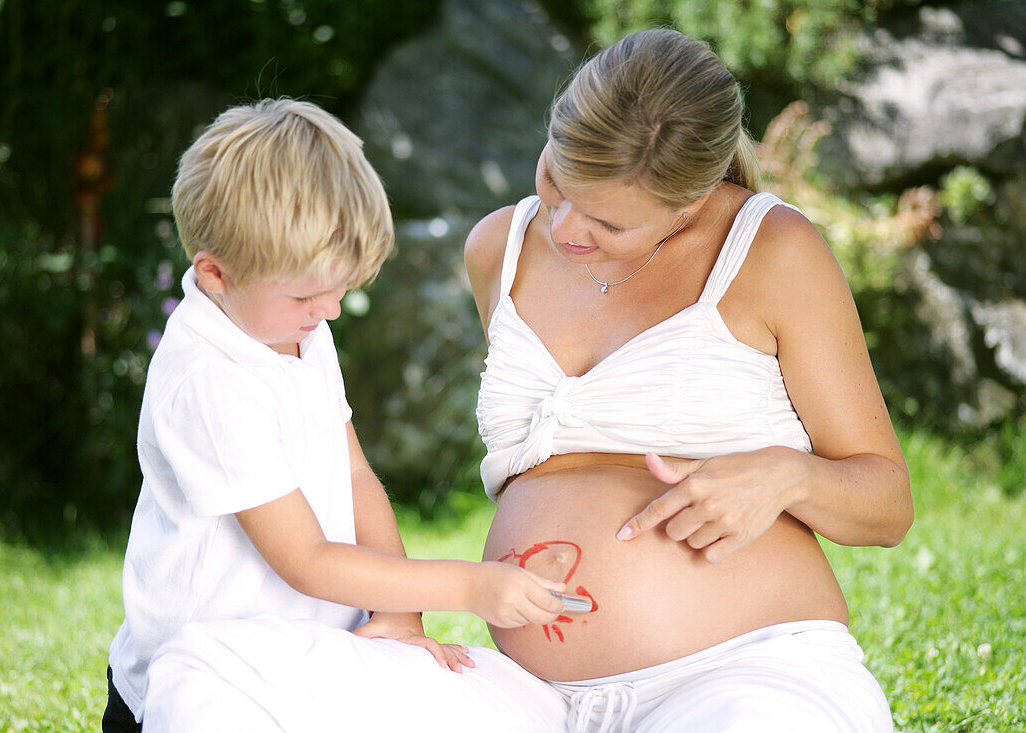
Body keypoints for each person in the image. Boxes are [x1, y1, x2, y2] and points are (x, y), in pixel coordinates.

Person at [464, 28, 913, 732]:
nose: (565, 226)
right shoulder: (498, 246)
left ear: (690, 201)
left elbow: (887, 502)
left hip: (743, 677)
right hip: (530, 693)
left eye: (607, 222)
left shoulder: (772, 250)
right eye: (555, 181)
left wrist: (791, 476)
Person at [103, 98, 572, 733]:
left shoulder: (292, 326)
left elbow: (353, 476)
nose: (332, 311)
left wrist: (401, 614)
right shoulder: (208, 381)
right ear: (215, 273)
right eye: (306, 293)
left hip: (306, 661)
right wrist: (469, 587)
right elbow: (307, 559)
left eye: (342, 288)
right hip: (209, 684)